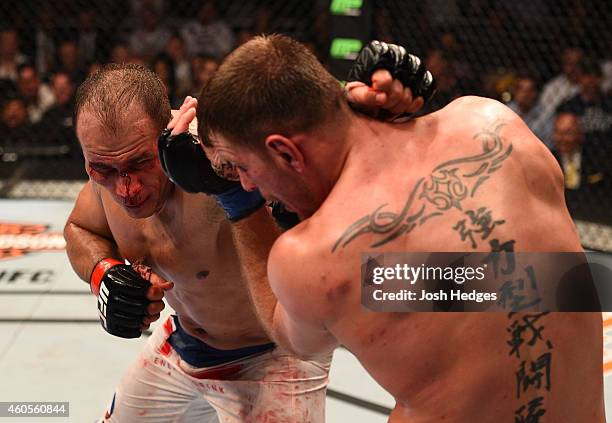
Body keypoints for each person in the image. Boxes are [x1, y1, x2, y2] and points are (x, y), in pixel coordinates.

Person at [194, 35, 605, 422]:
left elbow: (292, 338)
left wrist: (239, 206)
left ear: (284, 151)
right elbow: (506, 282)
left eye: (241, 167)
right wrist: (360, 117)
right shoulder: (492, 123)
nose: (247, 184)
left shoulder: (313, 258)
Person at [64, 42, 432, 422]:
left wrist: (379, 113)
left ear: (168, 129)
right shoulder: (109, 160)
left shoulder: (225, 157)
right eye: (102, 170)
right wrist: (104, 273)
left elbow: (321, 139)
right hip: (183, 343)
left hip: (277, 356)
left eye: (140, 162)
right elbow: (80, 228)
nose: (126, 189)